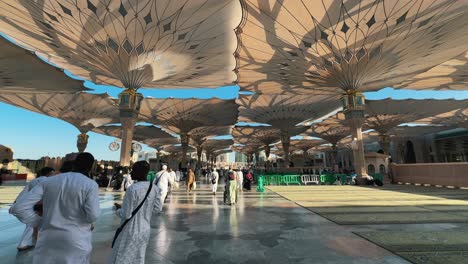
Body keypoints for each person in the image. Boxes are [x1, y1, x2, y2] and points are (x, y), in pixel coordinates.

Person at [10, 152, 100, 264]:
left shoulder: (49, 181)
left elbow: (18, 208)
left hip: (47, 238)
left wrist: (40, 222)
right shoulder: (90, 184)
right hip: (76, 239)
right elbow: (93, 216)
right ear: (90, 166)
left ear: (74, 164)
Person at [109, 161, 161, 264]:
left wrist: (118, 209)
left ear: (139, 172)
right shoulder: (154, 188)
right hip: (145, 229)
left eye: (133, 170)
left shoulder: (132, 189)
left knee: (122, 258)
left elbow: (126, 214)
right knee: (139, 257)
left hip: (130, 231)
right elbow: (157, 209)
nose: (131, 173)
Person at [10, 167, 56, 251]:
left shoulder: (33, 181)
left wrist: (16, 203)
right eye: (53, 173)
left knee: (32, 224)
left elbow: (24, 193)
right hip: (38, 206)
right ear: (49, 173)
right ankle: (31, 244)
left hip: (29, 206)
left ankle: (26, 243)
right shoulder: (48, 181)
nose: (54, 175)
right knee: (35, 224)